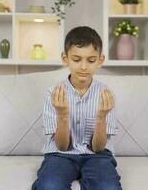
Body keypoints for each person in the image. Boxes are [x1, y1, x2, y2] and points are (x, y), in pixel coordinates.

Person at [32, 26, 122, 190]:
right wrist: (62, 114)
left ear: (100, 60)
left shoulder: (105, 95)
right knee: (49, 186)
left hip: (98, 156)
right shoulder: (53, 93)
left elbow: (98, 147)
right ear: (65, 59)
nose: (83, 67)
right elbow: (62, 146)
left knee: (109, 187)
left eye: (91, 60)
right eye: (76, 59)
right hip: (60, 155)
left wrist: (101, 116)